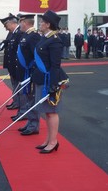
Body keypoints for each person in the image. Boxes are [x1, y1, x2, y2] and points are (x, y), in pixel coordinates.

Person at [32, 10, 68, 153]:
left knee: (52, 111)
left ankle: (53, 141)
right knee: (46, 112)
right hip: (42, 79)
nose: (40, 24)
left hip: (50, 81)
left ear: (48, 24)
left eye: (41, 22)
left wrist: (52, 85)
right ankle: (48, 139)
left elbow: (55, 66)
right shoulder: (44, 38)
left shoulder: (55, 41)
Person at [15, 14, 41, 131]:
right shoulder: (25, 35)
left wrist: (32, 73)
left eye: (20, 22)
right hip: (24, 72)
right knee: (28, 98)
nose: (19, 24)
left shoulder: (34, 36)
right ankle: (30, 122)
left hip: (30, 73)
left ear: (25, 22)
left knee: (32, 99)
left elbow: (37, 57)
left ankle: (33, 125)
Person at [0, 13, 22, 110]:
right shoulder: (12, 33)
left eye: (6, 25)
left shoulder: (19, 32)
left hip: (16, 64)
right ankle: (16, 101)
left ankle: (19, 103)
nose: (5, 28)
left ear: (12, 23)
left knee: (17, 85)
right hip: (11, 64)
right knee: (14, 84)